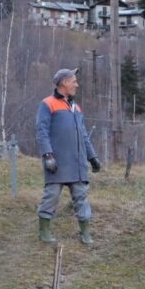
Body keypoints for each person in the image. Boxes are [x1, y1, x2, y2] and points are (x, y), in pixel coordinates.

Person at [35, 68, 101, 245]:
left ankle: (85, 234)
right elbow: (41, 132)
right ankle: (44, 232)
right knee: (51, 196)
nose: (76, 84)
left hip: (77, 162)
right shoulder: (47, 104)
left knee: (81, 197)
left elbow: (83, 135)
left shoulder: (76, 107)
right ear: (64, 82)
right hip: (56, 162)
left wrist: (92, 157)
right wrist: (47, 155)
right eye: (74, 81)